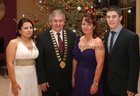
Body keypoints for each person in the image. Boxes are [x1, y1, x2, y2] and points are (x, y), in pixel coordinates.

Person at [35, 9, 76, 96]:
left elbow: (74, 58)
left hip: (67, 81)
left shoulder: (72, 35)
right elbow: (39, 61)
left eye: (60, 21)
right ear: (50, 22)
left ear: (64, 22)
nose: (58, 23)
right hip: (48, 82)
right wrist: (42, 80)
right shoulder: (42, 37)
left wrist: (74, 77)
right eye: (55, 21)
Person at [103, 5, 139, 96]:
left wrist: (132, 87)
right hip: (107, 85)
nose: (111, 19)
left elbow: (134, 65)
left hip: (122, 87)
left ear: (120, 18)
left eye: (114, 16)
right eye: (108, 17)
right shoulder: (106, 35)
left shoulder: (131, 37)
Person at [72, 12, 105, 96]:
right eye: (83, 24)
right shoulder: (78, 39)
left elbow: (100, 64)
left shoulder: (97, 41)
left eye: (89, 24)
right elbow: (75, 60)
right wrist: (73, 77)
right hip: (79, 76)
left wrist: (95, 83)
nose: (85, 27)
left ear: (94, 26)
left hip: (91, 78)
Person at [6, 18, 39, 96]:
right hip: (19, 76)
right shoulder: (13, 43)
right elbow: (9, 63)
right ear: (19, 30)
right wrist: (14, 82)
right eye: (25, 28)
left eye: (31, 28)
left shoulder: (34, 42)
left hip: (32, 75)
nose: (29, 30)